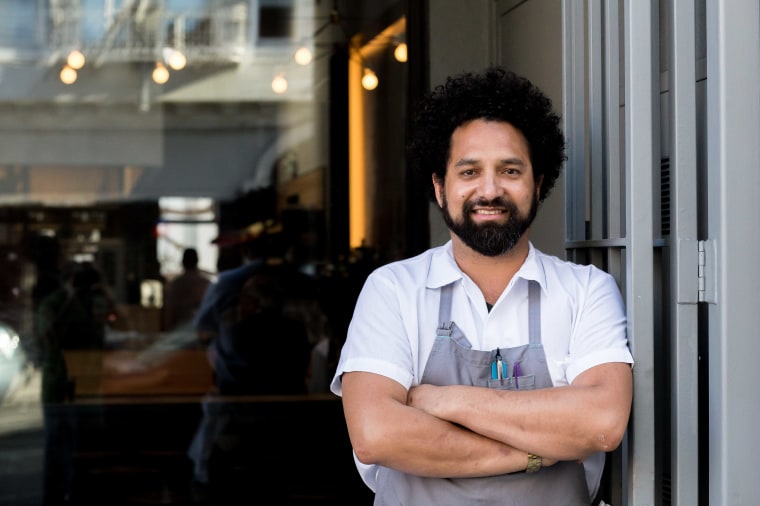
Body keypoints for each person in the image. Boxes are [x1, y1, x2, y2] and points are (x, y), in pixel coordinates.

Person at [329, 67, 634, 506]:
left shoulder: (586, 291)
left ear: (538, 183)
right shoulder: (393, 289)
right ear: (440, 186)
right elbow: (376, 435)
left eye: (510, 170)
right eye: (469, 172)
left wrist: (444, 401)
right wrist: (534, 453)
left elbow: (601, 423)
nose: (489, 190)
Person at [162, 247, 211, 331]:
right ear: (197, 261)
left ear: (183, 262)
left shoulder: (175, 284)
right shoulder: (205, 283)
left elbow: (169, 312)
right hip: (200, 331)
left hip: (179, 330)